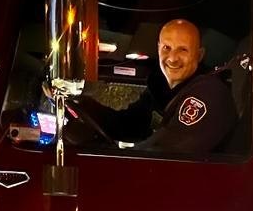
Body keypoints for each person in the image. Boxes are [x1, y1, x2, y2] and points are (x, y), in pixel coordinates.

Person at [71, 18, 237, 155]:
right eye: (166, 48)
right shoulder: (161, 89)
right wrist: (81, 104)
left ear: (199, 55)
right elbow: (128, 124)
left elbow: (168, 153)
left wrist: (107, 154)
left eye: (183, 50)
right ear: (158, 49)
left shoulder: (208, 94)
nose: (172, 58)